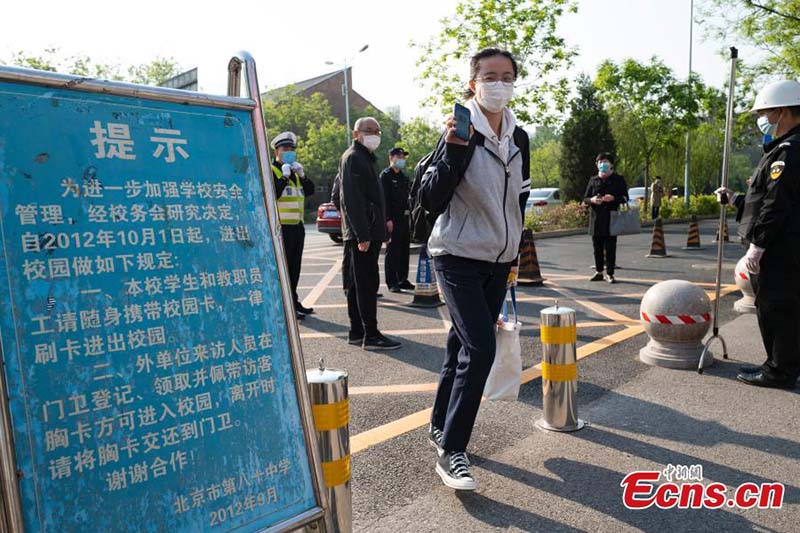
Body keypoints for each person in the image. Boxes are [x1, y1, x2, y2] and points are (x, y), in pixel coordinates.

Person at [419, 48, 530, 490]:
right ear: (473, 84)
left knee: (458, 345)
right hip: (457, 255)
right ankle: (453, 452)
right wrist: (451, 151)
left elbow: (519, 196)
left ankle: (439, 426)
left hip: (499, 260)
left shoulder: (520, 137)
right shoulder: (459, 134)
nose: (497, 84)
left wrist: (515, 245)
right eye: (489, 76)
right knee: (480, 348)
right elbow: (430, 199)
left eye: (506, 76)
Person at [715, 79, 800, 390]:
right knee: (784, 308)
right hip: (783, 244)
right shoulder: (782, 149)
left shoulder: (788, 151)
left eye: (765, 113)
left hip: (780, 247)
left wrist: (758, 246)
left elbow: (777, 204)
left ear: (781, 111)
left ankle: (779, 371)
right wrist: (736, 200)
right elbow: (764, 200)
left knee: (776, 308)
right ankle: (784, 364)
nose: (761, 119)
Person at [339, 117, 401, 350]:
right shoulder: (354, 157)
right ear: (356, 134)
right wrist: (363, 234)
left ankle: (357, 331)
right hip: (361, 234)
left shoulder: (365, 157)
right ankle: (371, 335)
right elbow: (352, 199)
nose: (374, 134)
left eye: (377, 131)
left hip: (367, 230)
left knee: (358, 282)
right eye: (368, 130)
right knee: (366, 283)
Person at [270, 131, 315, 320]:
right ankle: (285, 304)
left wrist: (302, 176)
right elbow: (273, 194)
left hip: (297, 226)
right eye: (285, 149)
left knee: (295, 268)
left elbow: (310, 191)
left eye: (291, 149)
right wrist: (284, 178)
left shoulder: (295, 172)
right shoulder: (272, 171)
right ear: (276, 152)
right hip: (282, 229)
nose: (289, 152)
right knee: (285, 269)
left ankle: (294, 300)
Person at [584, 153, 628, 284]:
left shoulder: (618, 179)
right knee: (596, 246)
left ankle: (610, 273)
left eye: (605, 161)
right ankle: (599, 271)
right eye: (600, 162)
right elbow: (585, 198)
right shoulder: (593, 180)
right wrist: (592, 200)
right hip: (596, 218)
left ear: (611, 164)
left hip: (611, 217)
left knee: (610, 247)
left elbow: (625, 197)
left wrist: (614, 198)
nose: (602, 164)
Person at [381, 147, 415, 293]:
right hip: (392, 218)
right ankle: (392, 281)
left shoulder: (403, 177)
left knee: (403, 250)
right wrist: (387, 219)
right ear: (391, 158)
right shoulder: (385, 176)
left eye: (403, 157)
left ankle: (402, 278)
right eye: (399, 156)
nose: (402, 159)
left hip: (404, 217)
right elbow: (383, 200)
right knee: (393, 251)